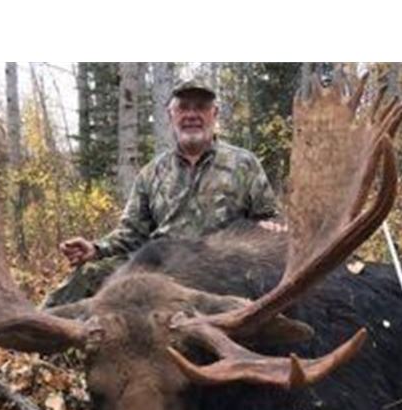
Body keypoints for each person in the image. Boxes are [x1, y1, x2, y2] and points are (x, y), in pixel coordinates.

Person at [44, 78, 285, 307]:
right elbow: (131, 233)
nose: (192, 115)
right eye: (183, 108)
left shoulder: (244, 164)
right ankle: (42, 328)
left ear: (215, 114)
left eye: (201, 107)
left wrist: (272, 226)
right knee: (88, 275)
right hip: (161, 272)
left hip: (222, 268)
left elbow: (268, 220)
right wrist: (96, 249)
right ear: (171, 115)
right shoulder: (152, 173)